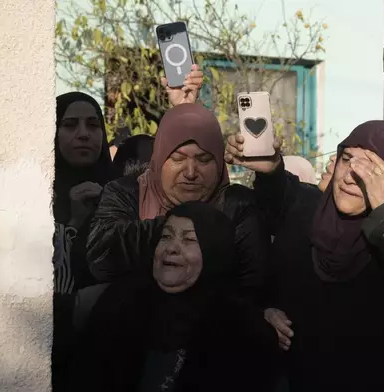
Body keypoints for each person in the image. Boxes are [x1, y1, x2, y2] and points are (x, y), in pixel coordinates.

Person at [225, 120, 384, 392]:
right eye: (346, 159)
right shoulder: (308, 214)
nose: (349, 175)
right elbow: (261, 283)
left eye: (369, 168)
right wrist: (265, 314)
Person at [68, 201, 278, 391]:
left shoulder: (243, 329)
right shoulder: (121, 301)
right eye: (166, 236)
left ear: (214, 252)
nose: (171, 249)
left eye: (188, 240)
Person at [87, 103, 269, 300]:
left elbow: (253, 287)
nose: (190, 172)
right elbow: (101, 257)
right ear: (158, 158)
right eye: (178, 158)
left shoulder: (237, 204)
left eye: (204, 160)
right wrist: (188, 227)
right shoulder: (127, 192)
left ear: (219, 164)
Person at [52, 91, 116, 391]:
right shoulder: (33, 197)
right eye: (69, 125)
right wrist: (74, 224)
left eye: (93, 125)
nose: (83, 134)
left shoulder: (121, 195)